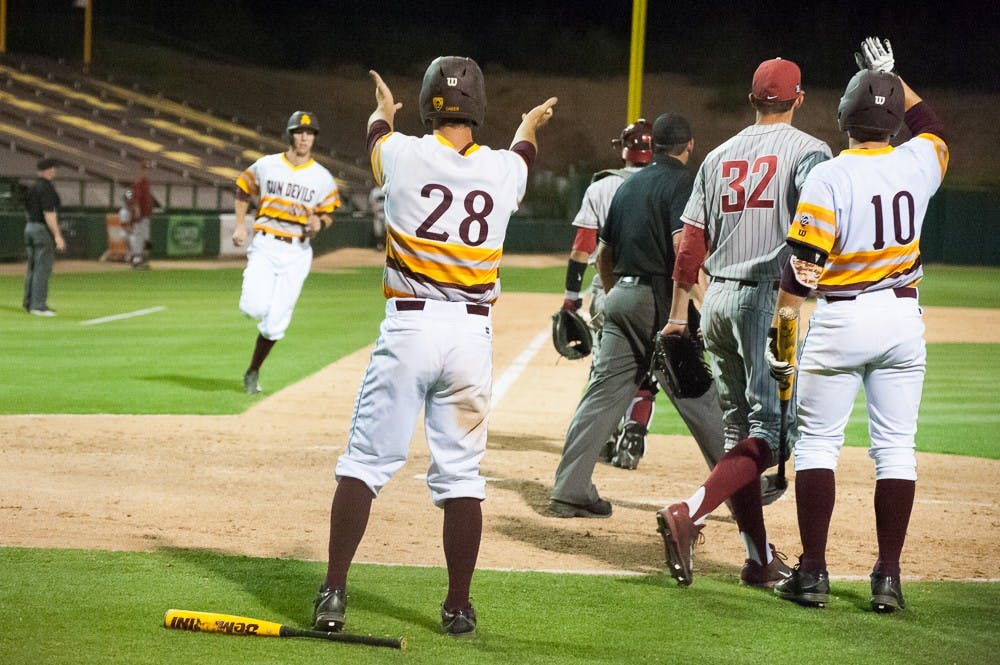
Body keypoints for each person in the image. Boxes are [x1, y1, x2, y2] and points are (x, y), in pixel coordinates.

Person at [312, 58, 557, 638]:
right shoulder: (502, 169)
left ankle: (334, 591)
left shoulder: (400, 153)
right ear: (479, 108)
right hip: (471, 335)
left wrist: (382, 108)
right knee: (462, 476)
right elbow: (524, 152)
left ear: (427, 105)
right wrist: (528, 124)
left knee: (365, 463)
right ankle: (457, 606)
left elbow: (377, 133)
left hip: (410, 326)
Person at [769, 38, 948, 613]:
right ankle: (889, 579)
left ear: (844, 116)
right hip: (901, 318)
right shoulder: (920, 160)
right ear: (895, 120)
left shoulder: (828, 176)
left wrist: (781, 341)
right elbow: (932, 125)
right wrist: (891, 76)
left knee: (819, 445)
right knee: (897, 450)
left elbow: (801, 276)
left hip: (842, 318)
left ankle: (814, 573)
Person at [656, 57, 832, 588]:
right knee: (774, 438)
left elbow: (690, 243)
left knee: (739, 436)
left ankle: (758, 559)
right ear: (798, 98)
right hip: (767, 303)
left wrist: (676, 316)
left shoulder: (717, 156)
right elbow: (813, 228)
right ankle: (690, 511)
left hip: (717, 304)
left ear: (752, 99)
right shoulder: (810, 152)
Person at [550, 112, 716, 517]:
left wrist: (612, 295)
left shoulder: (626, 184)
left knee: (601, 396)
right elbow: (685, 250)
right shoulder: (683, 182)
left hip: (621, 295)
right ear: (688, 145)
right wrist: (702, 301)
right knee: (698, 395)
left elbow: (603, 253)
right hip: (660, 300)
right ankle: (742, 484)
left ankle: (569, 489)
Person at [561, 119, 662, 469]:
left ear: (624, 148)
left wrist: (570, 297)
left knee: (606, 369)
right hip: (653, 290)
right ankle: (634, 432)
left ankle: (603, 437)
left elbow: (582, 248)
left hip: (608, 287)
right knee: (646, 366)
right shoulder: (670, 185)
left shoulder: (601, 187)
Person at [232, 111, 341, 394]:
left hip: (297, 251)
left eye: (310, 133)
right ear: (290, 134)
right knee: (253, 307)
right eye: (299, 131)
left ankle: (252, 371)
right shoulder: (268, 165)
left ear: (314, 138)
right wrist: (240, 226)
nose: (304, 137)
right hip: (266, 245)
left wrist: (320, 222)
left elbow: (330, 211)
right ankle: (260, 318)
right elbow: (243, 188)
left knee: (275, 323)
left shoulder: (322, 177)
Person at [23, 158, 66, 316]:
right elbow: (49, 213)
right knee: (42, 268)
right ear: (50, 170)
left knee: (33, 268)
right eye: (53, 168)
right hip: (42, 229)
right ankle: (38, 305)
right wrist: (57, 235)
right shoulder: (46, 188)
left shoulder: (32, 187)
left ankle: (29, 302)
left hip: (29, 227)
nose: (55, 171)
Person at [128, 160, 154, 269]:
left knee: (146, 238)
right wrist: (137, 212)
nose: (146, 171)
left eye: (147, 169)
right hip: (140, 216)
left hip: (146, 215)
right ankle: (136, 259)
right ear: (141, 170)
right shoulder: (138, 183)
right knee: (139, 238)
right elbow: (136, 200)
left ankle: (143, 259)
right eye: (144, 169)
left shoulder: (146, 182)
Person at [368, 184, 386, 251]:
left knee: (386, 229)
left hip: (386, 213)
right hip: (378, 213)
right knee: (378, 231)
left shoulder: (387, 188)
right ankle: (379, 245)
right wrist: (374, 211)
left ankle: (386, 245)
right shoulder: (374, 191)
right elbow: (371, 203)